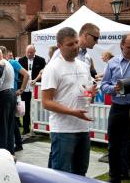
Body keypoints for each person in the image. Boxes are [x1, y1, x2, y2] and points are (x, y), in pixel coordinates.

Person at [41, 27, 96, 176]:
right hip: (63, 130)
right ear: (59, 46)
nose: (75, 47)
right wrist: (72, 112)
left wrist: (91, 94)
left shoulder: (84, 66)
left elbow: (86, 92)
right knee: (61, 176)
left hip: (83, 127)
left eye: (77, 42)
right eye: (70, 44)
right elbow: (46, 102)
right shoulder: (53, 68)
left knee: (80, 174)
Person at [101, 31, 130, 183]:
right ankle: (114, 177)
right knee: (114, 145)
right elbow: (104, 85)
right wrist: (114, 89)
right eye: (129, 47)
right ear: (122, 45)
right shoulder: (113, 63)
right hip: (118, 107)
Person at [0, 46, 29, 152]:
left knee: (13, 121)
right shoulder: (0, 64)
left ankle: (17, 143)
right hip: (7, 95)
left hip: (12, 94)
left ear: (3, 54)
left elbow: (26, 74)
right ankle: (17, 143)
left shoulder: (12, 63)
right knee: (13, 121)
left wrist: (21, 89)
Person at [18, 45, 46, 135]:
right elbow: (19, 74)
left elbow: (43, 72)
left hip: (36, 87)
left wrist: (36, 80)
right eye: (28, 52)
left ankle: (37, 128)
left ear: (35, 52)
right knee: (25, 108)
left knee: (37, 107)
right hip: (25, 88)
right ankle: (26, 128)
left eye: (31, 52)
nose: (29, 54)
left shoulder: (41, 60)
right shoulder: (21, 60)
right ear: (25, 52)